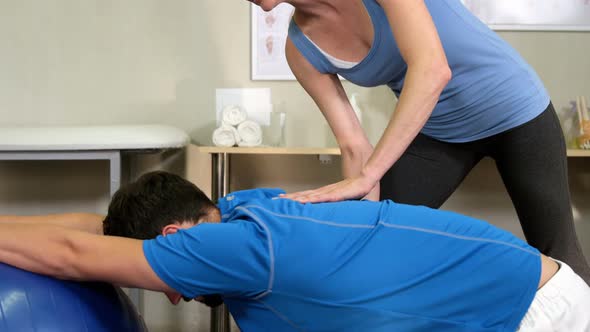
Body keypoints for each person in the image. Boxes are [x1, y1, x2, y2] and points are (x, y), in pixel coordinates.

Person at [248, 0, 590, 284]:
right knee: (376, 241)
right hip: (438, 132)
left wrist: (368, 176)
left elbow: (432, 70)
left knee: (558, 254)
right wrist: (357, 234)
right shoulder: (300, 50)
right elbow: (354, 145)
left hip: (516, 112)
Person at [0, 171, 589, 331]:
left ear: (178, 237)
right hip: (537, 289)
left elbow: (74, 256)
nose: (172, 296)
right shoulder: (238, 210)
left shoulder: (227, 247)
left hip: (533, 317)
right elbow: (94, 233)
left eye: (163, 275)